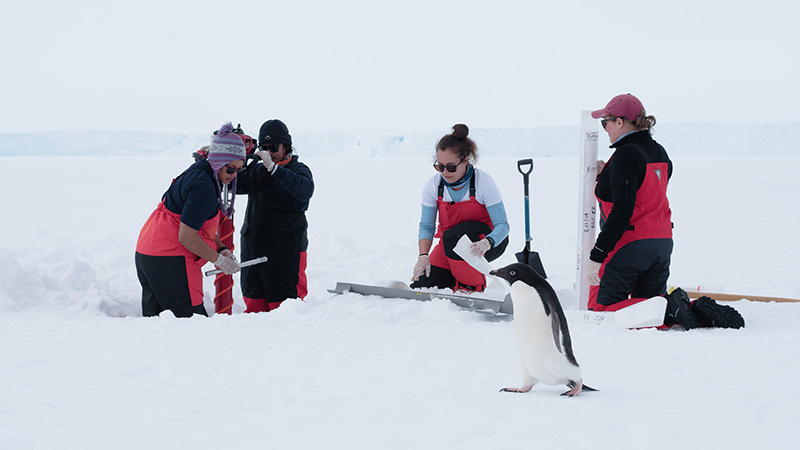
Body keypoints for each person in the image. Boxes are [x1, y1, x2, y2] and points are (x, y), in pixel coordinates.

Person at [586, 94, 743, 329]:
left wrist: (597, 255)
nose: (605, 129)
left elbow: (622, 210)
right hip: (661, 244)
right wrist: (606, 173)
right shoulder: (660, 152)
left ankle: (669, 307)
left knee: (601, 311)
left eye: (605, 122)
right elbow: (643, 194)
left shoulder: (624, 156)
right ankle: (686, 309)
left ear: (620, 122)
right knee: (651, 310)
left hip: (629, 245)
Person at [135, 122, 244, 317]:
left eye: (238, 170)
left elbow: (199, 227)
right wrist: (219, 260)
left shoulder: (200, 173)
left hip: (148, 253)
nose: (234, 175)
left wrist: (221, 248)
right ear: (219, 161)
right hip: (171, 260)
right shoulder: (203, 187)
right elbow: (186, 236)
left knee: (157, 323)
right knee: (191, 325)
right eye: (230, 169)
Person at [411, 123, 510, 293]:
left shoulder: (483, 183)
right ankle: (454, 278)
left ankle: (472, 287)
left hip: (487, 242)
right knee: (424, 286)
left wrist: (487, 243)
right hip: (450, 243)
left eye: (450, 167)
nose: (444, 172)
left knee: (455, 236)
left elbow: (503, 226)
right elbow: (426, 226)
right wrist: (423, 255)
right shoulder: (434, 186)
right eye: (439, 166)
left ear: (465, 160)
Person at [237, 119, 314, 313]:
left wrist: (275, 169)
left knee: (285, 309)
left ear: (286, 146)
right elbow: (233, 183)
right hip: (253, 249)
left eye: (273, 147)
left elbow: (304, 192)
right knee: (253, 305)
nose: (269, 153)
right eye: (264, 148)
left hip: (285, 254)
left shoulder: (298, 171)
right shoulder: (257, 169)